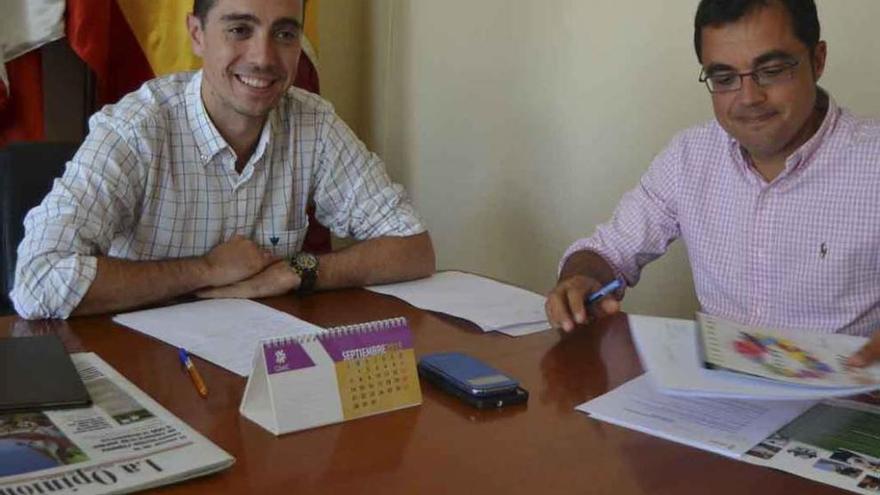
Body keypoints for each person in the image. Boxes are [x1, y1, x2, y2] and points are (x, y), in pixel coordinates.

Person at [10, 0, 435, 319]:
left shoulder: (313, 123)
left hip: (256, 366)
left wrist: (300, 271)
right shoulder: (137, 128)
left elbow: (412, 248)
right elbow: (38, 281)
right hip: (146, 368)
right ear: (197, 35)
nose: (263, 58)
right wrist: (206, 269)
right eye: (239, 29)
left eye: (284, 34)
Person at [545, 0, 880, 366]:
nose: (749, 98)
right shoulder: (690, 156)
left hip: (843, 405)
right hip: (717, 402)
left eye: (771, 70)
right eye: (724, 79)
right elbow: (607, 252)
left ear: (817, 61)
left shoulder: (872, 161)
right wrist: (580, 280)